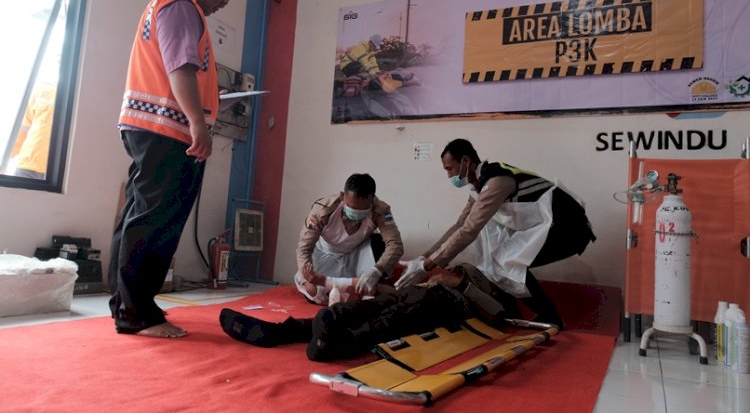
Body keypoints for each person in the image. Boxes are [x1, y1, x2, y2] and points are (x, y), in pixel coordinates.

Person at [108, 0, 233, 338]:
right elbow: (180, 68)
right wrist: (198, 122)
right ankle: (135, 313)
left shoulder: (165, 5)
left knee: (140, 215)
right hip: (166, 131)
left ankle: (130, 303)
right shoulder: (183, 7)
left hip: (152, 127)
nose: (223, 3)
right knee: (155, 221)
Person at [394, 139, 596, 329]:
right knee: (496, 262)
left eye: (450, 169)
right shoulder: (479, 188)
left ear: (466, 161)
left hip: (570, 229)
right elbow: (459, 225)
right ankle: (517, 313)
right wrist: (424, 257)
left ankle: (550, 318)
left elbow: (469, 230)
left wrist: (427, 266)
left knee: (505, 260)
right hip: (549, 228)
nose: (449, 176)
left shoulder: (497, 181)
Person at [220, 262, 522, 361]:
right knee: (359, 309)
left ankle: (334, 345)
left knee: (388, 323)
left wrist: (457, 282)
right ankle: (276, 332)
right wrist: (382, 289)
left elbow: (499, 315)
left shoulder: (494, 290)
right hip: (416, 294)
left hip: (446, 305)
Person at [295, 173, 404, 305]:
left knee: (379, 244)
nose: (356, 212)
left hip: (356, 253)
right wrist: (308, 278)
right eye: (351, 207)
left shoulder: (381, 210)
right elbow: (304, 248)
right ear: (343, 196)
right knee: (313, 291)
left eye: (363, 209)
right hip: (324, 255)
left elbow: (395, 245)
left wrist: (377, 270)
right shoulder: (323, 210)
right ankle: (362, 290)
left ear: (372, 200)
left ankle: (369, 288)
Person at [10, 80, 58, 179]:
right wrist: (10, 154)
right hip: (27, 165)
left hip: (55, 171)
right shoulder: (42, 90)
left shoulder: (78, 97)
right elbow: (25, 126)